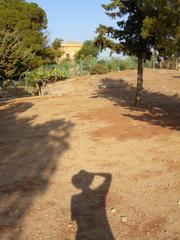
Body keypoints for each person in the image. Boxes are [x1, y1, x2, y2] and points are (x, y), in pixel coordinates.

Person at [71, 170, 114, 240]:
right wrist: (94, 173)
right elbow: (108, 176)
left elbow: (74, 218)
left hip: (82, 233)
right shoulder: (100, 194)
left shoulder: (74, 198)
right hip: (103, 230)